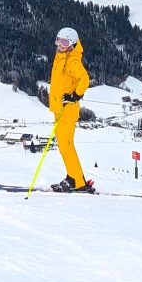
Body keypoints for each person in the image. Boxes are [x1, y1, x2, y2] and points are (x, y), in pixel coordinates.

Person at [48, 27, 93, 193]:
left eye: (64, 42)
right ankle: (73, 177)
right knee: (64, 146)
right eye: (58, 41)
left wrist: (75, 95)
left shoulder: (72, 61)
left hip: (67, 109)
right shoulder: (62, 56)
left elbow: (84, 79)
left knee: (66, 146)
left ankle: (77, 182)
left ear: (72, 44)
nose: (60, 45)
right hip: (60, 109)